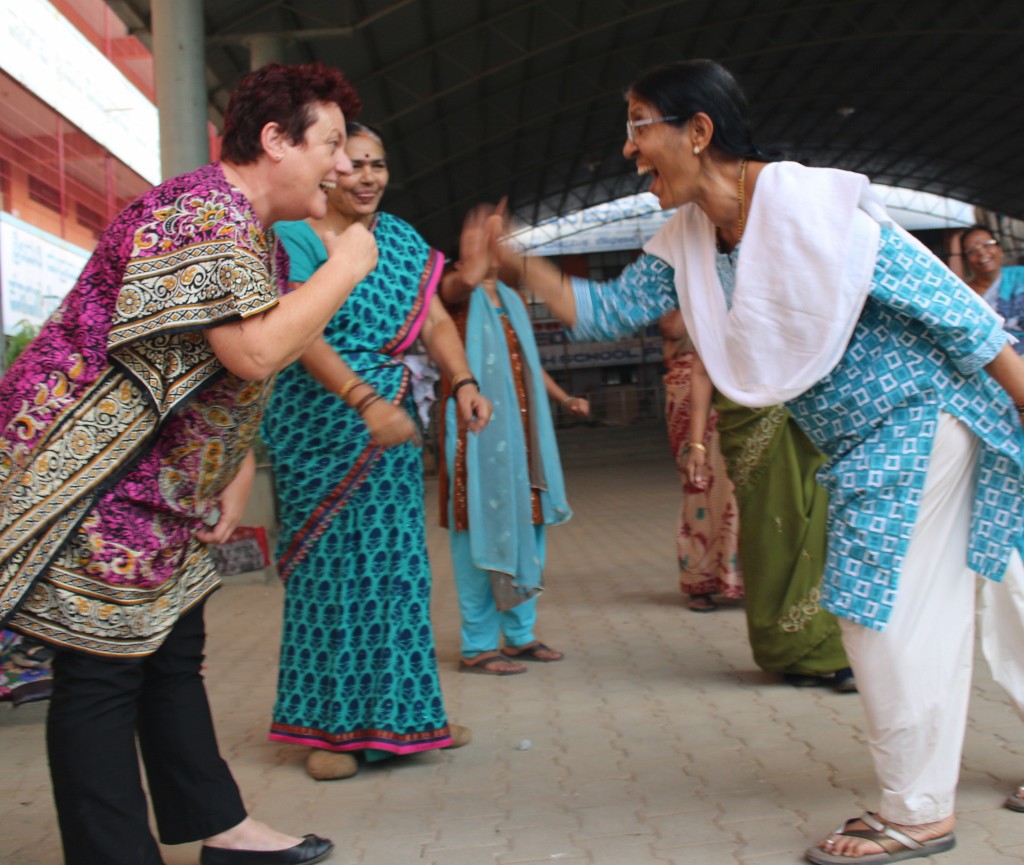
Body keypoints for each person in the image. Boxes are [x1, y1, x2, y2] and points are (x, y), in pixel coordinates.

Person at [486, 58, 1024, 865]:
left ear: (697, 131)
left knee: (876, 610)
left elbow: (957, 314)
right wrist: (514, 259)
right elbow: (605, 312)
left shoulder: (817, 209)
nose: (628, 150)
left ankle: (918, 813)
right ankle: (921, 800)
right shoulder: (693, 240)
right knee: (977, 595)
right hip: (868, 442)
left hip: (924, 422)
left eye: (639, 126)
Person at [0, 62, 377, 865]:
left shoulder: (252, 236)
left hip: (151, 492)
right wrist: (344, 265)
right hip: (88, 482)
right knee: (101, 674)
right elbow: (255, 348)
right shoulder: (204, 212)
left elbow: (225, 371)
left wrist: (233, 467)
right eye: (333, 144)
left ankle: (222, 827)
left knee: (171, 650)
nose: (345, 166)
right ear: (276, 141)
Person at [261, 122, 492, 781]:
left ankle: (411, 717)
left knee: (397, 574)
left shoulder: (399, 239)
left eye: (379, 165)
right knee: (331, 575)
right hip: (322, 425)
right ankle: (330, 734)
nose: (368, 176)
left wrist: (463, 381)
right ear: (328, 168)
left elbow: (436, 318)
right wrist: (364, 399)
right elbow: (298, 329)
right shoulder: (293, 238)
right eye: (355, 163)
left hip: (390, 431)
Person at [437, 241, 584, 676]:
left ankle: (520, 635)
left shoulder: (514, 300)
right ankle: (477, 645)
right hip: (474, 434)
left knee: (528, 524)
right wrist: (470, 265)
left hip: (524, 438)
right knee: (476, 530)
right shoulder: (453, 294)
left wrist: (563, 397)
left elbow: (530, 364)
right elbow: (455, 288)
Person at [686, 366, 854, 690]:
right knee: (774, 536)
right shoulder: (718, 312)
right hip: (751, 423)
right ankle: (791, 655)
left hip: (823, 411)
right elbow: (704, 370)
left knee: (828, 528)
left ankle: (844, 656)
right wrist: (697, 444)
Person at [658, 310, 743, 612]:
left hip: (734, 393)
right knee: (700, 488)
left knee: (735, 490)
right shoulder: (676, 282)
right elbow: (673, 328)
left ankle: (738, 577)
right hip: (689, 396)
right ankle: (699, 580)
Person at [959, 224, 1024, 351]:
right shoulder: (965, 297)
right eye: (972, 251)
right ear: (966, 260)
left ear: (1000, 249)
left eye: (988, 244)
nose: (982, 253)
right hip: (995, 363)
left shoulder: (1021, 276)